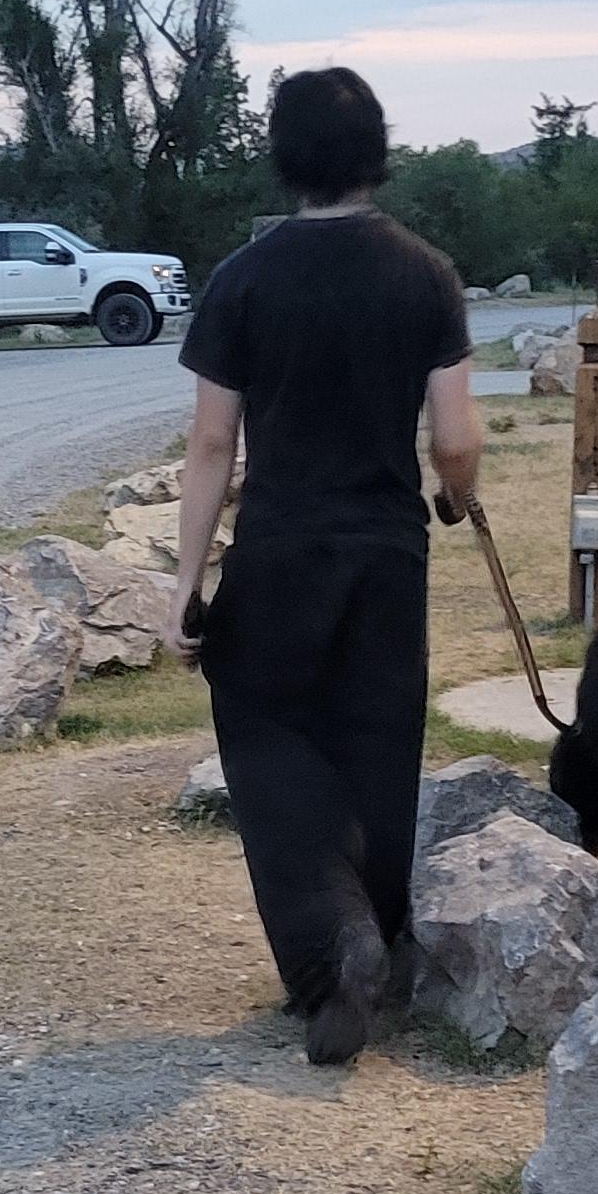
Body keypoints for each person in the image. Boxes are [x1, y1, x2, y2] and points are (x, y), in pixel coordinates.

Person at [172, 66, 483, 1064]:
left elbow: (213, 448)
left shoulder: (242, 281)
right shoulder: (426, 274)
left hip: (280, 558)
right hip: (388, 558)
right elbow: (458, 436)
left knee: (267, 746)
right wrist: (455, 493)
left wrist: (185, 587)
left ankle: (327, 959)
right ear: (375, 153)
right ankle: (377, 952)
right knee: (378, 754)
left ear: (286, 156)